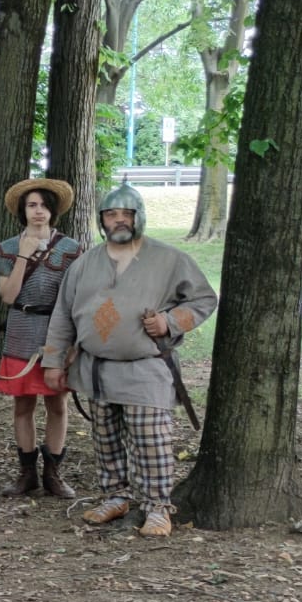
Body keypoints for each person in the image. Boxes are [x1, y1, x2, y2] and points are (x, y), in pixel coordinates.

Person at [43, 184, 216, 537]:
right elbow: (63, 314)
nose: (118, 220)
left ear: (139, 217)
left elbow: (203, 299)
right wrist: (53, 361)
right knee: (105, 438)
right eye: (111, 214)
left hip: (146, 368)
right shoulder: (84, 263)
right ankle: (116, 496)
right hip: (95, 369)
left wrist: (168, 322)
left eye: (126, 214)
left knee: (150, 440)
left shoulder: (169, 259)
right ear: (102, 220)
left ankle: (156, 507)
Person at [0, 179, 86, 499]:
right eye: (32, 205)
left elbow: (77, 299)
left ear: (53, 211)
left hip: (57, 331)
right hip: (21, 327)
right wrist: (23, 255)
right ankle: (27, 474)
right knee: (23, 405)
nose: (38, 212)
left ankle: (53, 473)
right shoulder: (5, 248)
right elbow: (7, 296)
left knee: (57, 402)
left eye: (44, 205)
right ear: (23, 211)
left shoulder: (71, 250)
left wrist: (73, 342)